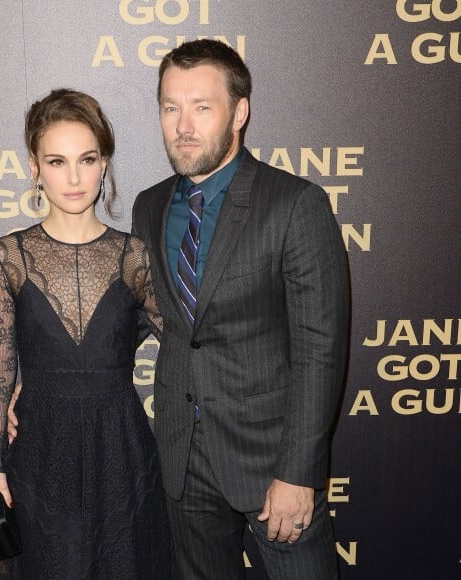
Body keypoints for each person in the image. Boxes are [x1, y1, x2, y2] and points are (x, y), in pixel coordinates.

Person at [130, 39, 350, 579]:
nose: (183, 125)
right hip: (183, 459)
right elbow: (134, 320)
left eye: (202, 107)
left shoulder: (295, 204)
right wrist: (36, 380)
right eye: (170, 107)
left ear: (239, 111)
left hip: (273, 464)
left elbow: (320, 349)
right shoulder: (150, 205)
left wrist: (300, 474)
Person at [0, 88, 175, 579]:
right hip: (41, 447)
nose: (74, 176)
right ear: (35, 168)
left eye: (87, 159)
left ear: (104, 163)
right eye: (57, 161)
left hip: (121, 447)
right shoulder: (8, 257)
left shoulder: (135, 256)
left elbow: (180, 339)